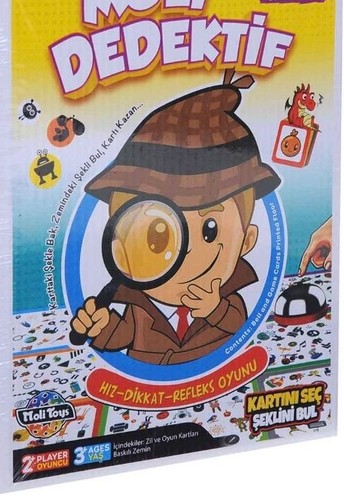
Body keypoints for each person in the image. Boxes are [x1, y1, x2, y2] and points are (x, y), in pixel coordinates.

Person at [71, 69, 281, 365]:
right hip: (146, 390)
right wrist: (101, 327)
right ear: (121, 250)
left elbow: (238, 323)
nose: (187, 251)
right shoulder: (139, 305)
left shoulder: (227, 299)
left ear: (246, 241)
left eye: (210, 230)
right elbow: (123, 336)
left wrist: (215, 308)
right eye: (156, 235)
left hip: (223, 377)